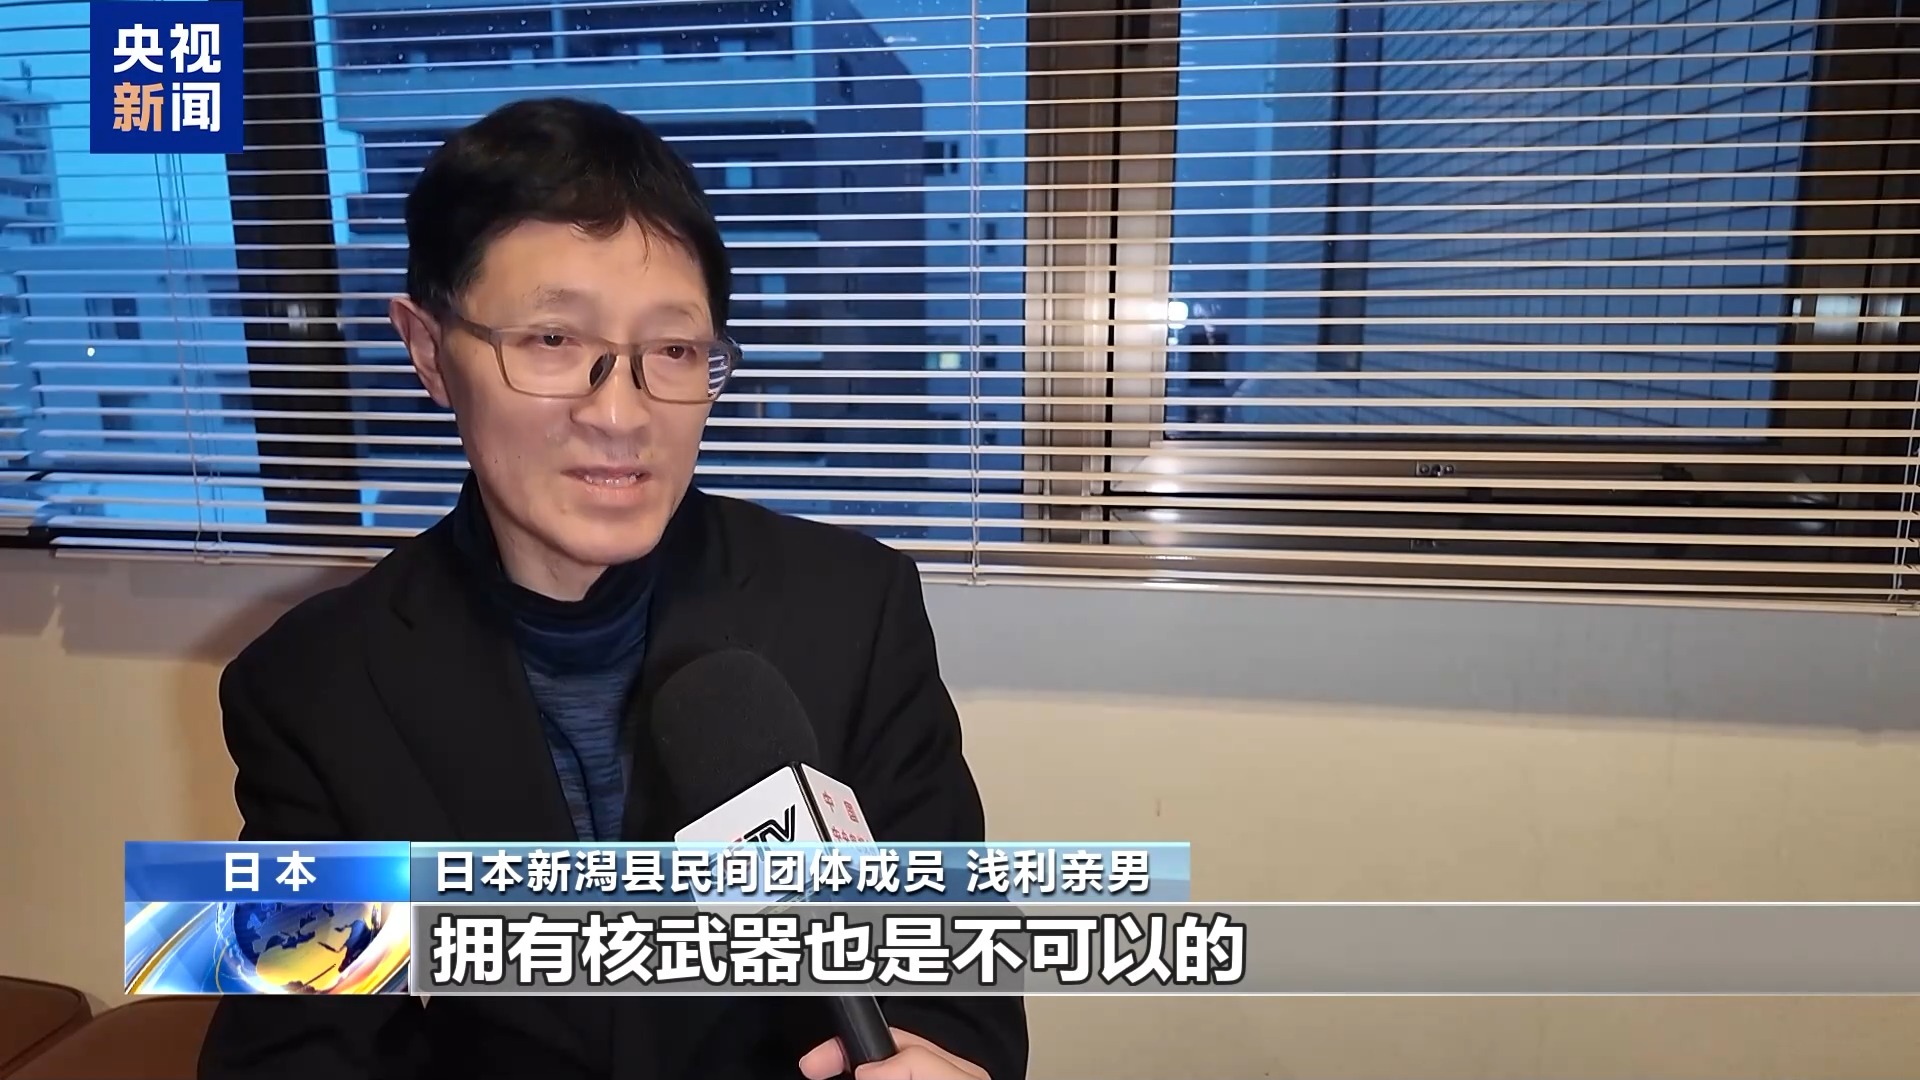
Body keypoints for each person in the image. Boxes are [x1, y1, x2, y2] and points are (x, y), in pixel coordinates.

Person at [199, 97, 1027, 1080]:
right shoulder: (315, 686)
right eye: (553, 340)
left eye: (673, 350)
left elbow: (958, 992)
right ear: (428, 351)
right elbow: (295, 1045)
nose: (621, 414)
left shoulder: (851, 610)